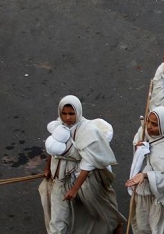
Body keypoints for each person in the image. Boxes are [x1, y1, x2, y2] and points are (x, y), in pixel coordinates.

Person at [40, 95, 125, 234]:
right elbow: (52, 148)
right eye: (64, 113)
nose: (67, 118)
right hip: (60, 181)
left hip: (84, 180)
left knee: (98, 210)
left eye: (71, 114)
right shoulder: (59, 126)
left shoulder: (88, 131)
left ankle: (115, 226)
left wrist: (74, 189)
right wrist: (48, 167)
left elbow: (88, 164)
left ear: (78, 112)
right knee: (57, 221)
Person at [125, 107, 164, 234]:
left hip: (162, 197)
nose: (149, 126)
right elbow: (141, 158)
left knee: (158, 229)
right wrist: (139, 148)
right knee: (142, 226)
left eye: (155, 124)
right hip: (144, 190)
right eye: (148, 121)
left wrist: (146, 176)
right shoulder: (144, 133)